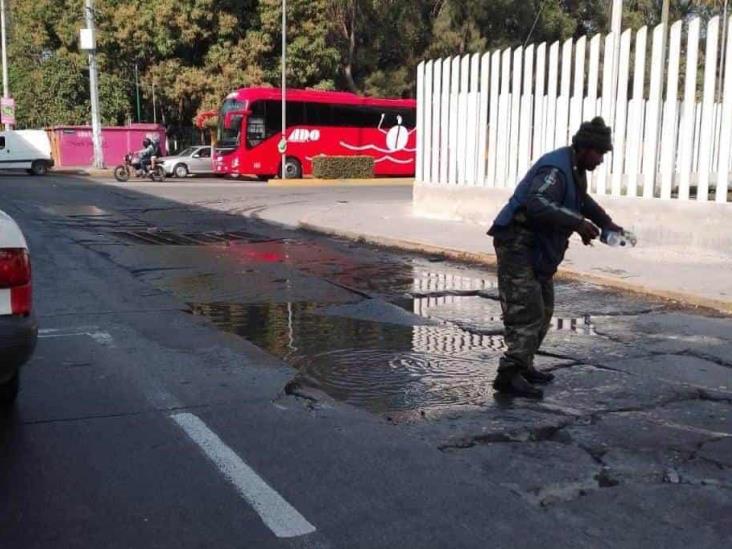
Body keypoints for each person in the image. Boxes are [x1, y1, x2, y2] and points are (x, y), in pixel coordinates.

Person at [488, 117, 625, 399]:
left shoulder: (575, 169)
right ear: (585, 148)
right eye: (599, 153)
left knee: (545, 308)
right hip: (518, 243)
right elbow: (537, 202)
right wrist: (577, 223)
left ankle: (524, 365)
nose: (601, 160)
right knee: (526, 310)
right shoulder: (556, 168)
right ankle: (509, 375)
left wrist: (606, 222)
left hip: (537, 248)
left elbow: (582, 201)